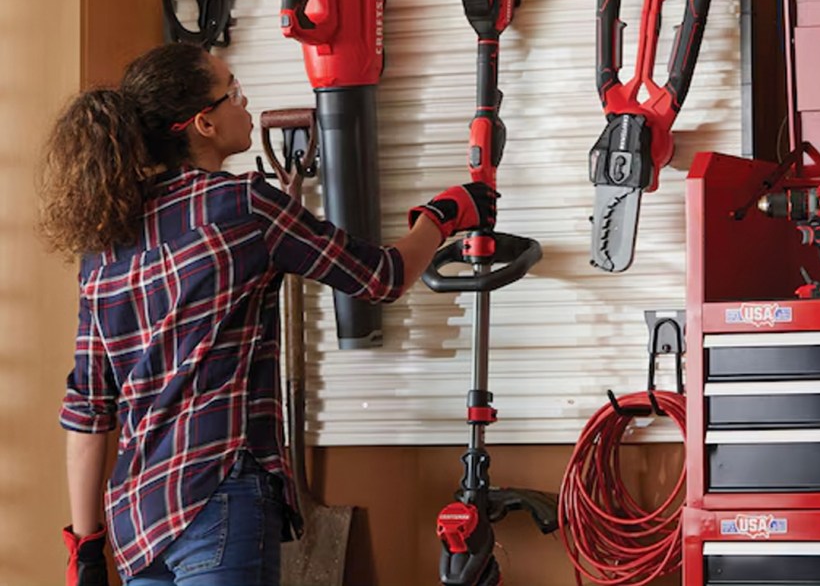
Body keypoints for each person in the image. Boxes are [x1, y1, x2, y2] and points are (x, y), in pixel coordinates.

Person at [40, 42, 497, 586]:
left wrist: (86, 550)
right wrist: (442, 216)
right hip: (218, 498)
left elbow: (89, 409)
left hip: (137, 525)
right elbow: (382, 277)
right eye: (232, 91)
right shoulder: (244, 206)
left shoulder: (104, 247)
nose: (246, 101)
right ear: (204, 123)